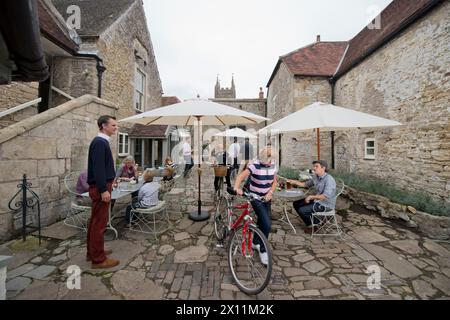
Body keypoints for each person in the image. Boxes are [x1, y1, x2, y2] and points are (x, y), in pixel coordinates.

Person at [233, 146, 278, 266]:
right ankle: (263, 250)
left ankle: (255, 242)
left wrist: (270, 192)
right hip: (255, 196)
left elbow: (275, 181)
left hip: (267, 197)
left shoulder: (273, 164)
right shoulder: (255, 165)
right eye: (269, 159)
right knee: (267, 224)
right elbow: (240, 177)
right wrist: (237, 188)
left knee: (262, 221)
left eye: (272, 159)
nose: (271, 162)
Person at [87, 115, 120, 269]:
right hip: (101, 187)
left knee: (95, 222)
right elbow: (99, 168)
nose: (116, 128)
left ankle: (93, 252)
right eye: (113, 125)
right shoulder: (100, 143)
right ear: (103, 126)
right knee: (99, 224)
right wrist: (103, 190)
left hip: (103, 185)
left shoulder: (101, 142)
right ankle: (99, 260)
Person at [287, 160, 337, 234]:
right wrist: (294, 181)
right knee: (296, 204)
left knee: (302, 210)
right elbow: (305, 184)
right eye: (314, 166)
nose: (314, 168)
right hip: (318, 200)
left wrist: (311, 197)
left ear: (323, 168)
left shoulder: (329, 179)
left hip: (326, 204)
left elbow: (325, 196)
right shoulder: (316, 177)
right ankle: (316, 222)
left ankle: (314, 225)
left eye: (316, 166)